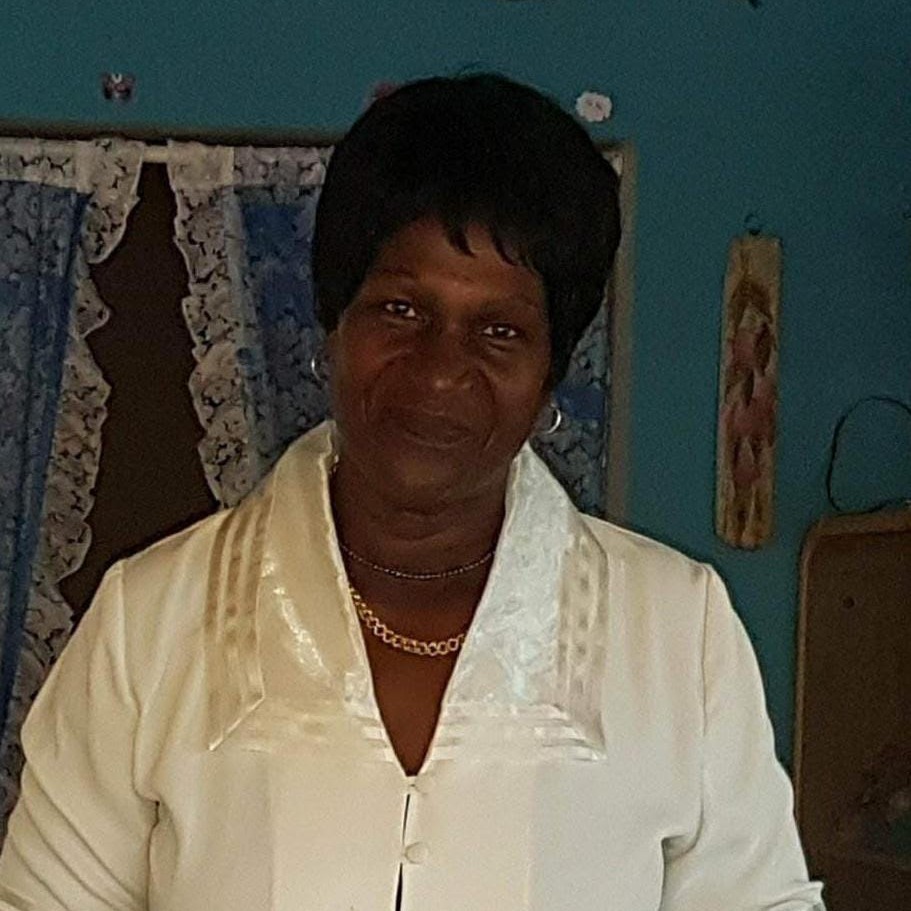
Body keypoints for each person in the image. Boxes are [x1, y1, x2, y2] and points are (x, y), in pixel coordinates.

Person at [0, 74, 825, 910]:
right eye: (399, 309)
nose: (438, 371)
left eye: (499, 330)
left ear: (550, 373)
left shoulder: (675, 631)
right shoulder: (150, 623)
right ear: (333, 325)